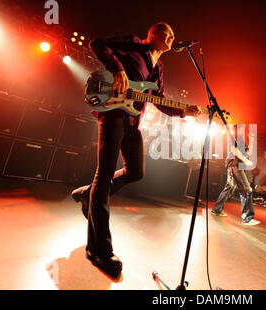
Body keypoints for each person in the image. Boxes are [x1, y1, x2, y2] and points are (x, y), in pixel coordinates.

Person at [71, 22, 200, 279]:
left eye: (174, 34)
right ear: (151, 34)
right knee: (104, 176)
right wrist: (118, 70)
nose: (172, 37)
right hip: (113, 114)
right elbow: (97, 43)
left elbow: (159, 99)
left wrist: (184, 111)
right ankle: (99, 250)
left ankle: (88, 194)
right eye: (166, 32)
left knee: (136, 172)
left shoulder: (159, 68)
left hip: (133, 122)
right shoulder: (133, 44)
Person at [211, 129, 260, 226]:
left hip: (234, 165)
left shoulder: (240, 139)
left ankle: (217, 209)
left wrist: (252, 140)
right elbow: (235, 150)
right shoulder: (234, 137)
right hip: (235, 165)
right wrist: (246, 161)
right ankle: (247, 218)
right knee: (247, 189)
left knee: (230, 187)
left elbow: (248, 153)